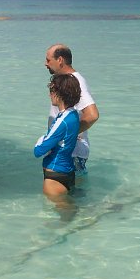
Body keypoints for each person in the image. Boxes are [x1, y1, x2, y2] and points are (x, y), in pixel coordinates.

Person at [45, 44, 99, 176]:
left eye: (48, 60)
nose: (45, 64)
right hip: (66, 150)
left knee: (70, 194)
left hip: (72, 151)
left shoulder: (76, 81)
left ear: (60, 60)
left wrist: (65, 135)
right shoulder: (66, 81)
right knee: (68, 193)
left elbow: (92, 115)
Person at [34, 73, 81, 198]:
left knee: (59, 215)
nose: (50, 95)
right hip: (68, 172)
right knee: (71, 213)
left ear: (60, 94)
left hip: (55, 175)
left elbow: (38, 151)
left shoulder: (62, 121)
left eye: (51, 90)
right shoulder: (74, 115)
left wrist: (41, 139)